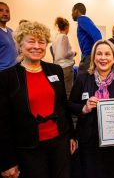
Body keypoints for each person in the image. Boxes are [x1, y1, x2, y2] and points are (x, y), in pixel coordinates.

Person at [0, 21, 76, 178]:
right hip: (28, 148)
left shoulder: (55, 70)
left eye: (41, 42)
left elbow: (62, 106)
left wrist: (71, 136)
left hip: (59, 142)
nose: (37, 46)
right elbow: (3, 122)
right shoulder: (7, 77)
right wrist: (7, 161)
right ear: (20, 45)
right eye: (31, 41)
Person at [68, 40, 114, 178]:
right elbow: (70, 104)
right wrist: (84, 108)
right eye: (99, 54)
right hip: (89, 141)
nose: (103, 58)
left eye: (107, 54)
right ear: (93, 57)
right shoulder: (83, 78)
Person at [72, 2, 102, 75]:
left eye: (72, 11)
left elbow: (97, 34)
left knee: (81, 79)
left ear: (76, 10)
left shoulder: (82, 19)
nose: (71, 14)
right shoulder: (82, 20)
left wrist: (97, 52)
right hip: (87, 56)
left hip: (88, 56)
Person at [52, 17, 77, 98]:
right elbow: (65, 54)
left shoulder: (55, 37)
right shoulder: (64, 37)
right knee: (68, 91)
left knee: (60, 90)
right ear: (66, 27)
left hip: (58, 66)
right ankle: (68, 109)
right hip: (66, 67)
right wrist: (74, 53)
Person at [0, 2, 18, 71]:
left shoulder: (10, 31)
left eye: (7, 11)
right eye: (1, 10)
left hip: (13, 71)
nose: (5, 14)